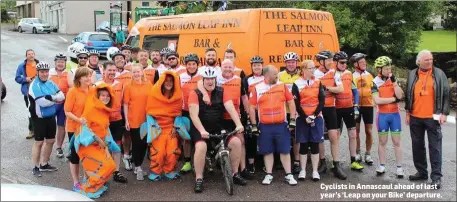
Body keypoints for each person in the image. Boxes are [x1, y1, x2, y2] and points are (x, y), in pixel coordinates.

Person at [189, 67, 245, 193]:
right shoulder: (195, 93)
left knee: (236, 142)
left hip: (218, 126)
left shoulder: (222, 91)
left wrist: (238, 124)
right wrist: (202, 131)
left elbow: (231, 109)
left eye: (212, 79)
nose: (210, 81)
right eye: (207, 79)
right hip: (200, 126)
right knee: (201, 147)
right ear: (203, 80)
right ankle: (199, 178)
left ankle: (235, 174)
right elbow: (193, 115)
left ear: (216, 79)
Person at [405, 50, 450, 189]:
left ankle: (436, 178)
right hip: (415, 117)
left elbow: (446, 93)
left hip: (433, 117)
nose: (430, 62)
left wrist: (444, 112)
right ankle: (421, 172)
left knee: (435, 148)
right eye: (426, 60)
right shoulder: (412, 73)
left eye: (431, 59)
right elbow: (408, 93)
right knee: (417, 146)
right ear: (419, 62)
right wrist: (407, 111)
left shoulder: (439, 73)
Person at [248, 65, 297, 186]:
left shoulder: (282, 85)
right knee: (267, 151)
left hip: (281, 124)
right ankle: (269, 174)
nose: (277, 76)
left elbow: (291, 102)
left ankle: (289, 174)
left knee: (285, 150)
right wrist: (254, 125)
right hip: (265, 126)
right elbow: (251, 107)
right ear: (266, 76)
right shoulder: (257, 88)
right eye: (275, 74)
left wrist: (292, 120)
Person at [73, 83, 119, 199]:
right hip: (87, 145)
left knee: (111, 165)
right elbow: (83, 127)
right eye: (102, 95)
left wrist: (110, 143)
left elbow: (105, 128)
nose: (105, 98)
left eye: (107, 95)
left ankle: (97, 185)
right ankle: (87, 188)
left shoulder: (104, 111)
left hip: (99, 145)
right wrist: (97, 139)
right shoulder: (91, 109)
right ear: (97, 96)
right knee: (105, 165)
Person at [313, 50, 346, 180]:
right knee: (320, 137)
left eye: (331, 60)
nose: (331, 62)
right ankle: (322, 162)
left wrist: (326, 89)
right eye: (328, 60)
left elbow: (340, 89)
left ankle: (336, 165)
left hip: (331, 108)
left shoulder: (334, 73)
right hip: (319, 109)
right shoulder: (314, 74)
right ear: (321, 62)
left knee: (334, 136)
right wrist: (328, 90)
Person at [28, 61, 65, 177]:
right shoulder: (34, 85)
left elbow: (62, 96)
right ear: (38, 72)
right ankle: (35, 166)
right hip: (38, 117)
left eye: (46, 72)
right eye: (42, 72)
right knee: (39, 142)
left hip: (50, 117)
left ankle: (44, 164)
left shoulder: (50, 83)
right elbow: (42, 102)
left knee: (50, 141)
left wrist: (51, 97)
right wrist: (55, 99)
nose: (45, 74)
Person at [145, 71, 183, 180]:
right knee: (158, 152)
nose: (169, 83)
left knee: (173, 151)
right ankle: (155, 172)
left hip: (171, 129)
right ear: (162, 81)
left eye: (171, 81)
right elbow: (149, 113)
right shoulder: (154, 94)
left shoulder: (177, 96)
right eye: (166, 81)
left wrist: (176, 127)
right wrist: (154, 130)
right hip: (157, 129)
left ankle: (169, 170)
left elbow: (178, 113)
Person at [371, 56, 404, 178]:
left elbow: (400, 96)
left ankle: (399, 168)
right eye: (386, 69)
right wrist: (393, 99)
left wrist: (395, 84)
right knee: (382, 141)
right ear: (379, 69)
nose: (388, 71)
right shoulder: (374, 82)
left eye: (389, 68)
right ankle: (382, 166)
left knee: (397, 142)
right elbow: (377, 100)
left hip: (395, 115)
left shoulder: (393, 80)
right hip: (382, 116)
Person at [95, 61, 128, 183]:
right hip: (103, 121)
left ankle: (116, 171)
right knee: (102, 146)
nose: (112, 72)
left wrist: (126, 119)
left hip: (117, 119)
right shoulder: (97, 85)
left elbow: (124, 102)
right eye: (109, 70)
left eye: (114, 70)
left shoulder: (120, 84)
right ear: (103, 70)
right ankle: (103, 170)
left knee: (117, 145)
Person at [292, 60, 325, 181]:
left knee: (315, 144)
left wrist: (314, 115)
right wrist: (305, 116)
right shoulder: (297, 83)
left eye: (313, 68)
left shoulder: (318, 82)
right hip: (302, 118)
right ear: (303, 69)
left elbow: (321, 101)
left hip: (316, 117)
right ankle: (303, 170)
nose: (312, 70)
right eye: (310, 68)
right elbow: (296, 103)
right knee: (303, 145)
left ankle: (315, 171)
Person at [333, 51, 364, 171]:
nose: (344, 65)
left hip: (349, 108)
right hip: (335, 109)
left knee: (353, 134)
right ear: (335, 62)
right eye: (341, 63)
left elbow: (355, 91)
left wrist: (356, 106)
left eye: (345, 63)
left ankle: (353, 161)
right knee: (335, 136)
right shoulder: (331, 74)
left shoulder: (349, 74)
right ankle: (335, 161)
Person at [64, 67, 93, 192]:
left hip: (90, 128)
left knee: (88, 155)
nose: (88, 78)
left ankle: (88, 179)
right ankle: (76, 182)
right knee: (75, 156)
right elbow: (67, 111)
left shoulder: (93, 90)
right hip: (74, 128)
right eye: (85, 76)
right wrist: (79, 120)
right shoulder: (73, 91)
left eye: (89, 75)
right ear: (79, 78)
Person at [123, 64, 153, 180]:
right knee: (136, 143)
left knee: (144, 143)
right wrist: (126, 120)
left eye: (138, 71)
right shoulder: (128, 86)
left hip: (146, 119)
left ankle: (138, 164)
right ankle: (138, 166)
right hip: (133, 119)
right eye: (134, 72)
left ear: (142, 72)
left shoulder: (148, 84)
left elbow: (152, 100)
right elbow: (125, 104)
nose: (136, 74)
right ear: (132, 73)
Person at [179, 53, 203, 173]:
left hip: (199, 112)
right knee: (186, 138)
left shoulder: (202, 77)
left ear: (197, 65)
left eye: (194, 64)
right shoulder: (180, 76)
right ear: (186, 65)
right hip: (185, 111)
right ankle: (187, 162)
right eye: (189, 64)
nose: (191, 66)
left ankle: (204, 161)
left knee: (201, 137)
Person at [111, 50, 134, 171]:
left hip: (127, 106)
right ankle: (111, 160)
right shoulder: (110, 73)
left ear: (125, 60)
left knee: (127, 133)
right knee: (113, 134)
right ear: (113, 61)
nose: (120, 60)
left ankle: (126, 156)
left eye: (121, 58)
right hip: (114, 108)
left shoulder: (130, 73)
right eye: (117, 59)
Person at [278, 52, 301, 174]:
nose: (291, 64)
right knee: (284, 136)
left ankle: (297, 161)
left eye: (293, 62)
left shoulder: (301, 75)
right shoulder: (280, 75)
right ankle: (283, 161)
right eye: (288, 62)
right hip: (283, 111)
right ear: (285, 64)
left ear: (296, 63)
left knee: (296, 137)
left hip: (298, 111)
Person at [351, 53, 375, 165]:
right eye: (361, 62)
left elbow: (375, 90)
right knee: (356, 131)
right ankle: (358, 152)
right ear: (355, 64)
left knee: (369, 131)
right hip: (355, 106)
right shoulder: (351, 76)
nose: (364, 63)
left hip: (368, 105)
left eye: (365, 62)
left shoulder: (370, 75)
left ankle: (368, 154)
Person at [242, 56, 264, 176]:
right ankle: (251, 163)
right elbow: (244, 97)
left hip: (265, 110)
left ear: (262, 66)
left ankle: (266, 161)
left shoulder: (267, 77)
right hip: (252, 111)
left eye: (259, 65)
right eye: (254, 65)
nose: (256, 67)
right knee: (251, 137)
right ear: (251, 67)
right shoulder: (247, 79)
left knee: (265, 136)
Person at [49, 53, 71, 158]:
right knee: (49, 125)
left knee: (61, 126)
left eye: (62, 62)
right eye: (58, 62)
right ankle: (47, 146)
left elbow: (71, 87)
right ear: (55, 63)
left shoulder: (68, 73)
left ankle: (59, 147)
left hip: (63, 104)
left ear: (65, 63)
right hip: (51, 104)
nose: (60, 64)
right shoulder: (49, 73)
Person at [15, 49, 39, 139]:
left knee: (39, 111)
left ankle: (39, 130)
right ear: (26, 56)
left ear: (34, 55)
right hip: (28, 92)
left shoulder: (39, 64)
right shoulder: (22, 66)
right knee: (31, 111)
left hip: (39, 92)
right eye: (29, 54)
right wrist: (25, 79)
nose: (31, 55)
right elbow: (17, 78)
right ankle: (31, 130)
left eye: (32, 54)